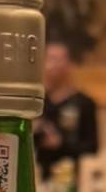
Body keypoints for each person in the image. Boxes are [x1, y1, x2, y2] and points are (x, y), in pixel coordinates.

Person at [34, 40, 99, 180]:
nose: (54, 65)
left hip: (72, 178)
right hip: (39, 176)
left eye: (59, 59)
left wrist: (60, 144)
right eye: (50, 59)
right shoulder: (36, 101)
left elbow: (92, 147)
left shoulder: (84, 103)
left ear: (69, 64)